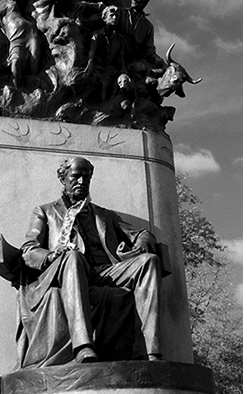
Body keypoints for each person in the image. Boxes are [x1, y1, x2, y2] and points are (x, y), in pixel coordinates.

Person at [19, 156, 163, 365]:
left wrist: (143, 240)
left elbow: (140, 233)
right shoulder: (45, 211)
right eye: (75, 176)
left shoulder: (104, 215)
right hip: (69, 267)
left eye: (86, 177)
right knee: (73, 257)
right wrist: (51, 256)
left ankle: (151, 351)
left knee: (149, 261)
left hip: (106, 271)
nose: (81, 182)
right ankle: (83, 346)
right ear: (64, 178)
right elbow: (28, 249)